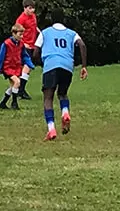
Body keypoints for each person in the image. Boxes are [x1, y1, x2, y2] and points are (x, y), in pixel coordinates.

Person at [32, 9, 88, 141]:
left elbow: (35, 52)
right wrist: (84, 66)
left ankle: (51, 129)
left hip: (51, 65)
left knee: (48, 97)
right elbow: (82, 45)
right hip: (67, 66)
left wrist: (42, 62)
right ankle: (65, 112)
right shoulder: (71, 33)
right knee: (62, 93)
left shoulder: (45, 33)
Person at [0, 23, 34, 110]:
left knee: (13, 86)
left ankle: (3, 103)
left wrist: (30, 64)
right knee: (17, 82)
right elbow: (0, 57)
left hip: (16, 67)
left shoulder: (21, 44)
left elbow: (24, 56)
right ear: (14, 33)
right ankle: (14, 103)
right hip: (8, 67)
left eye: (22, 34)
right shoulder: (6, 44)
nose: (22, 36)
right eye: (20, 34)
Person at [15, 0, 39, 99]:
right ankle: (21, 90)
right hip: (25, 46)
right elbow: (16, 33)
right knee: (27, 66)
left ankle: (20, 89)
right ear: (24, 8)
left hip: (33, 45)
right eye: (30, 8)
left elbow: (34, 27)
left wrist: (41, 34)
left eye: (33, 8)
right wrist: (23, 44)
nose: (32, 10)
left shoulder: (33, 16)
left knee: (27, 69)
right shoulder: (21, 19)